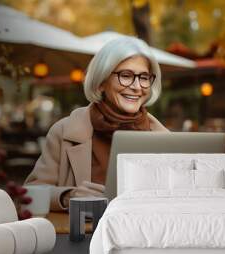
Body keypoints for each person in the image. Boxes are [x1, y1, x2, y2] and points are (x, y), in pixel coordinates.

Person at [24, 36, 169, 211]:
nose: (137, 86)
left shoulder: (165, 140)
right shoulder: (63, 131)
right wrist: (68, 196)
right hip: (83, 236)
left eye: (144, 77)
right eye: (126, 75)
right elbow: (29, 195)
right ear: (101, 83)